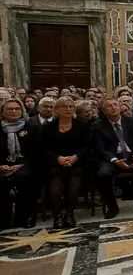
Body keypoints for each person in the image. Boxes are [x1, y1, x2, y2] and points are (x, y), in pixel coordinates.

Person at [43, 97, 88, 227]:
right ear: (57, 109)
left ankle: (69, 213)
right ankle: (57, 215)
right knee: (55, 175)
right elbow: (45, 148)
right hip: (55, 161)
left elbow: (87, 146)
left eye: (71, 106)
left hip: (77, 161)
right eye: (64, 107)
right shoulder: (48, 127)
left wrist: (75, 157)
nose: (68, 109)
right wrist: (58, 158)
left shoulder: (82, 125)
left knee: (75, 175)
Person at [0, 98, 41, 229]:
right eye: (10, 109)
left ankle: (26, 216)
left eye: (17, 109)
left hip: (27, 163)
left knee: (24, 177)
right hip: (3, 164)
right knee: (1, 180)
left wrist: (21, 165)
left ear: (22, 111)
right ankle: (4, 219)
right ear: (2, 112)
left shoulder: (32, 128)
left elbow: (38, 152)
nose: (14, 111)